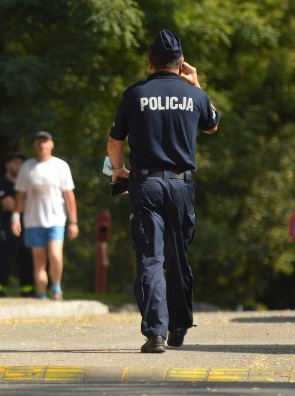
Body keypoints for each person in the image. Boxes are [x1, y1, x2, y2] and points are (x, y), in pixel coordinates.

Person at [107, 29, 220, 353]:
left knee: (150, 258)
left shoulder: (135, 94)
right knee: (178, 257)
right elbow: (212, 125)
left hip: (145, 184)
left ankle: (156, 332)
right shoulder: (194, 95)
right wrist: (196, 83)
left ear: (149, 62)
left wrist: (119, 176)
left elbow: (115, 141)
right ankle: (180, 327)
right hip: (182, 186)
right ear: (181, 62)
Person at [11, 131, 79, 300]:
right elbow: (20, 195)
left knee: (55, 255)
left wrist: (73, 222)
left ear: (51, 144)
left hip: (56, 219)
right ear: (35, 145)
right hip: (33, 220)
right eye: (39, 141)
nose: (42, 145)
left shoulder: (60, 166)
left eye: (45, 141)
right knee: (39, 260)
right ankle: (41, 294)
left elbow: (69, 196)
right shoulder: (28, 166)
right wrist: (15, 217)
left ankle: (56, 287)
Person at [0, 151, 34, 297]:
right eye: (15, 162)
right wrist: (26, 204)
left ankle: (28, 290)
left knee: (27, 259)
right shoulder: (3, 184)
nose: (19, 166)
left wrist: (22, 204)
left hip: (27, 225)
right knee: (6, 257)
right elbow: (9, 205)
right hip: (8, 226)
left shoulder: (27, 185)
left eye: (21, 163)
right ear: (8, 165)